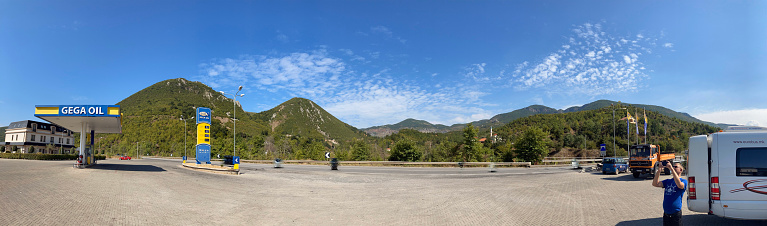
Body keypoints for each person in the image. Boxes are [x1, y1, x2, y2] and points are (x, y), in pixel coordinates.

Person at [652, 161, 687, 226]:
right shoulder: (668, 181)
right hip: (666, 214)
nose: (673, 167)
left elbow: (680, 185)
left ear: (681, 170)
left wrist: (671, 168)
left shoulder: (684, 181)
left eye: (675, 167)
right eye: (673, 166)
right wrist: (659, 170)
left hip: (675, 215)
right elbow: (655, 184)